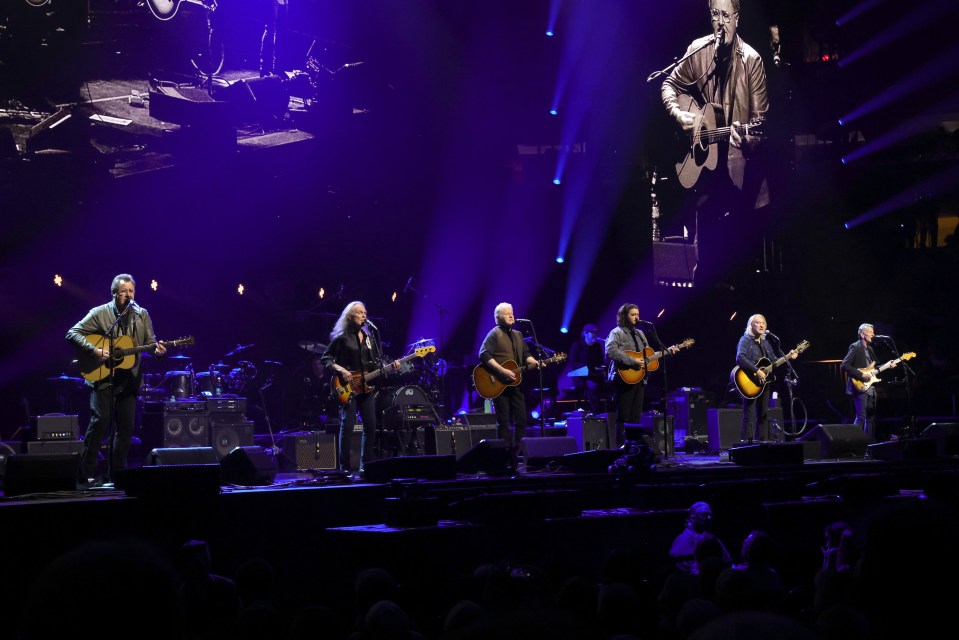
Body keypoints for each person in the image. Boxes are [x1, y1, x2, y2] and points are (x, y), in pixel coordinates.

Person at [661, 0, 770, 287]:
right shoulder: (698, 51)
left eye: (726, 15)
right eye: (715, 15)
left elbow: (762, 124)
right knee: (705, 258)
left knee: (739, 258)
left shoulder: (752, 60)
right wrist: (679, 114)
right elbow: (669, 84)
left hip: (740, 176)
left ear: (737, 18)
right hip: (708, 180)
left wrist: (745, 138)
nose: (720, 22)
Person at [66, 274, 167, 487]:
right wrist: (93, 350)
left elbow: (150, 343)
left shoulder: (142, 315)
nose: (128, 295)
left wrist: (158, 351)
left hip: (129, 379)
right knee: (100, 422)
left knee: (126, 429)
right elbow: (72, 333)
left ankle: (118, 475)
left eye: (131, 291)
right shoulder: (100, 313)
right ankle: (85, 476)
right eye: (124, 291)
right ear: (114, 294)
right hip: (102, 376)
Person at [320, 301, 395, 476]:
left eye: (365, 312)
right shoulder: (342, 338)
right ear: (350, 317)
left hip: (367, 388)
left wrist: (391, 366)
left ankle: (365, 466)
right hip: (347, 387)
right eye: (359, 313)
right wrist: (341, 369)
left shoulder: (369, 338)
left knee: (370, 426)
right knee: (348, 425)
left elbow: (376, 363)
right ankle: (344, 467)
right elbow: (326, 358)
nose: (364, 315)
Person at [606, 304, 676, 447]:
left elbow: (648, 358)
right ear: (624, 316)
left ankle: (633, 449)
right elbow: (610, 351)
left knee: (635, 418)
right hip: (623, 379)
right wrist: (632, 361)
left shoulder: (640, 334)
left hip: (640, 380)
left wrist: (667, 352)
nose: (636, 317)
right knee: (623, 417)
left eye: (637, 314)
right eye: (633, 314)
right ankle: (619, 452)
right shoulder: (616, 332)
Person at [478, 303, 540, 456]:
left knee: (522, 420)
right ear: (498, 318)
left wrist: (532, 360)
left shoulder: (518, 335)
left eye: (512, 312)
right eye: (507, 314)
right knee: (504, 422)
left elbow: (526, 354)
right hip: (499, 384)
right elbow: (484, 354)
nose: (511, 315)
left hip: (516, 384)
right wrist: (502, 370)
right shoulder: (494, 334)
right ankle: (504, 456)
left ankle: (515, 453)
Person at [735, 314, 796, 442]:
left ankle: (762, 442)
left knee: (764, 414)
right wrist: (757, 370)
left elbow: (773, 361)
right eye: (757, 322)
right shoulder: (745, 340)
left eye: (763, 323)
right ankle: (746, 443)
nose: (761, 325)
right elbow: (740, 358)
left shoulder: (766, 343)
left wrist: (788, 356)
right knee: (749, 414)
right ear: (751, 325)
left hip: (764, 383)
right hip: (749, 381)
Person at [840, 323, 894, 439]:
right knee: (861, 417)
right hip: (860, 386)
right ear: (861, 334)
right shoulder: (855, 346)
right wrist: (861, 375)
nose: (873, 334)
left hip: (871, 387)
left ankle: (867, 445)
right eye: (870, 332)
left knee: (870, 418)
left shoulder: (870, 349)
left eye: (873, 332)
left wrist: (888, 365)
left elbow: (874, 369)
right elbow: (845, 365)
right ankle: (852, 443)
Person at [669, 501, 732, 575]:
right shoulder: (683, 539)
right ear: (692, 517)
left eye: (710, 515)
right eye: (705, 514)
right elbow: (688, 570)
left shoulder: (712, 538)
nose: (709, 518)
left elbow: (727, 561)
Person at [567, 323, 607, 413]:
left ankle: (607, 414)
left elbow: (600, 363)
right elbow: (573, 364)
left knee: (609, 385)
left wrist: (602, 369)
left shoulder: (597, 346)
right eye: (593, 333)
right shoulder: (577, 346)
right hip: (581, 378)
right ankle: (595, 413)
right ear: (585, 333)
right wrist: (589, 370)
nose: (595, 335)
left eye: (596, 333)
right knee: (591, 389)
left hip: (594, 376)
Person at [259, 0, 289, 77]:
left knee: (280, 34)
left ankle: (277, 68)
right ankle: (265, 68)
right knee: (270, 31)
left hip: (283, 2)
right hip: (273, 2)